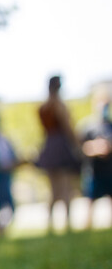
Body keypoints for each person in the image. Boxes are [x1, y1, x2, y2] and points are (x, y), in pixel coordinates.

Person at [35, 75, 82, 232]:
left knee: (54, 190)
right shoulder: (59, 106)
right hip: (61, 146)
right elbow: (68, 128)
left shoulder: (43, 107)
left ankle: (50, 224)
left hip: (49, 146)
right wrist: (77, 146)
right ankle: (67, 223)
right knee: (66, 187)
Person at [80, 95, 112, 229]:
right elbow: (81, 147)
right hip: (94, 170)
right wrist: (95, 148)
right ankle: (88, 227)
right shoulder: (88, 126)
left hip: (109, 169)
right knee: (91, 200)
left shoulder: (110, 126)